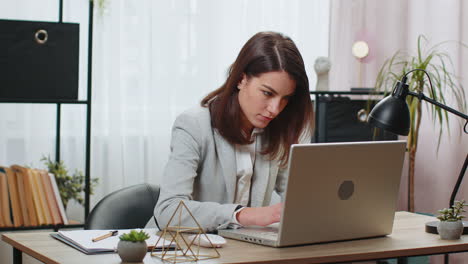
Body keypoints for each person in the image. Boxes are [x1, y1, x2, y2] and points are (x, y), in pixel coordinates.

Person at [147, 31, 313, 232]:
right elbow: (168, 211)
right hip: (183, 250)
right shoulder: (193, 125)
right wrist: (242, 215)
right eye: (268, 93)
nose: (275, 109)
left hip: (243, 250)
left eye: (286, 98)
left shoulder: (277, 130)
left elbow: (299, 202)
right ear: (241, 79)